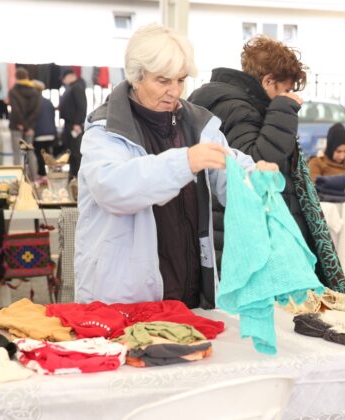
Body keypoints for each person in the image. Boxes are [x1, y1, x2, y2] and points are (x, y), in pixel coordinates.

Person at [75, 24, 276, 308]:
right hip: (123, 300)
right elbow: (113, 188)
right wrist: (185, 162)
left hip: (190, 293)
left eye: (180, 80)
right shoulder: (105, 130)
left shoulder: (198, 124)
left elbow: (232, 172)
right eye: (163, 81)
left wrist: (257, 180)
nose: (174, 91)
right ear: (136, 76)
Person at [189, 36, 345, 293]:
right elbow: (258, 165)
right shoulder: (237, 108)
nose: (291, 95)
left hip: (231, 227)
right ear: (267, 81)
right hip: (241, 231)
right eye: (285, 89)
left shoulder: (239, 104)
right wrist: (283, 110)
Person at [7, 67, 41, 180]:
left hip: (16, 126)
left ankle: (18, 178)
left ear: (16, 77)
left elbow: (15, 110)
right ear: (27, 77)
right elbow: (36, 111)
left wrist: (22, 125)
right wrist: (29, 126)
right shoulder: (35, 92)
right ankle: (34, 177)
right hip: (30, 127)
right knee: (29, 152)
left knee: (17, 152)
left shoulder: (13, 91)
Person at [58, 68, 87, 179]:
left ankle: (77, 176)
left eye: (64, 79)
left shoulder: (77, 87)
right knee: (69, 151)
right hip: (69, 124)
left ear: (70, 76)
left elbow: (82, 106)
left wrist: (77, 123)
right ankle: (72, 174)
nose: (63, 81)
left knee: (75, 152)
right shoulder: (71, 87)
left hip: (74, 125)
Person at [31, 80, 57, 178]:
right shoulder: (48, 102)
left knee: (39, 155)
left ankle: (42, 175)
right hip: (50, 132)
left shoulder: (33, 102)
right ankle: (49, 173)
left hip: (39, 133)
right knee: (47, 155)